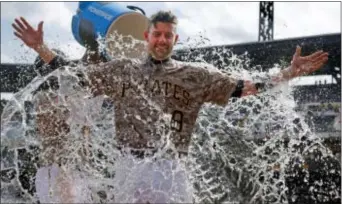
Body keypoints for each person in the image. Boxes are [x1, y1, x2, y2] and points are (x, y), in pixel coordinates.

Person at [13, 10, 328, 203]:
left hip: (170, 168)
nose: (161, 40)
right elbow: (73, 74)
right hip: (128, 166)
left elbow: (243, 88)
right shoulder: (122, 69)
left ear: (175, 39)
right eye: (156, 35)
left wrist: (288, 73)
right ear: (147, 36)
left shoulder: (197, 75)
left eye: (168, 35)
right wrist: (40, 47)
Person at [12, 17, 113, 203]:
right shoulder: (57, 93)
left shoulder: (92, 90)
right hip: (60, 172)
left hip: (68, 171)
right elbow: (63, 66)